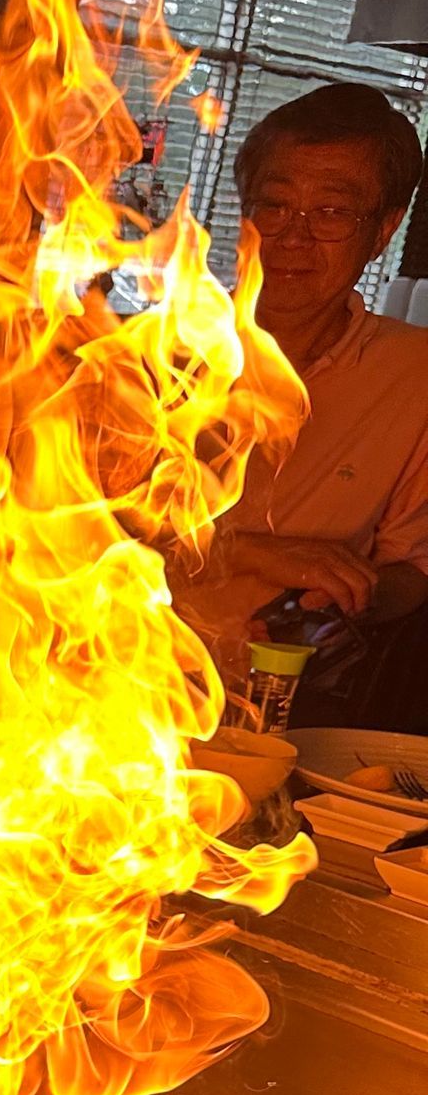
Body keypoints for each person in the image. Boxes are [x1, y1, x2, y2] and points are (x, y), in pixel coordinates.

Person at [174, 82, 428, 729]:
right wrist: (249, 551)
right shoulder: (151, 353)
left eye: (331, 212)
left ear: (384, 229)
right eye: (275, 205)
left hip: (280, 713)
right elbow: (68, 535)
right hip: (110, 682)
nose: (292, 236)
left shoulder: (413, 375)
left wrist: (346, 597)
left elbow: (411, 567)